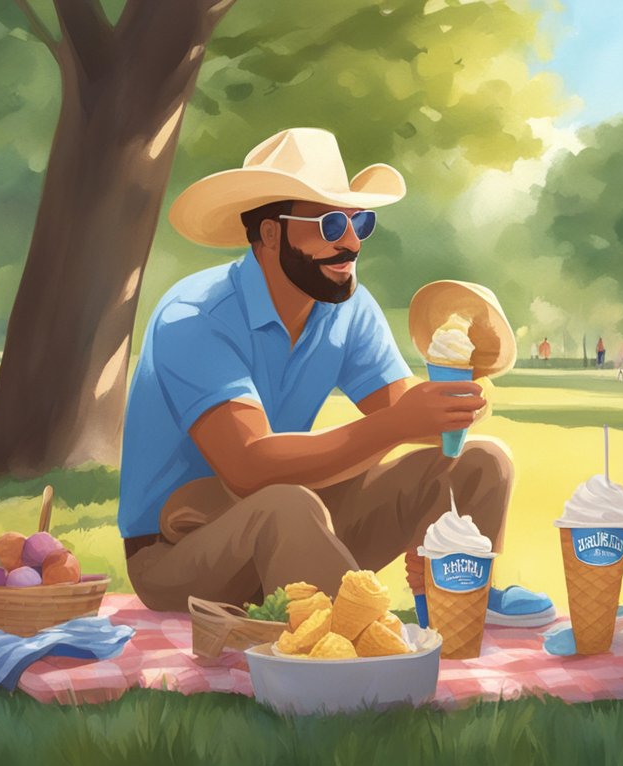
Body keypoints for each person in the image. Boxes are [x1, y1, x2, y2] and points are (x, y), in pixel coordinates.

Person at [117, 128, 554, 629]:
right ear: (270, 234)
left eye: (359, 222)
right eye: (329, 224)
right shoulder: (194, 317)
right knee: (286, 506)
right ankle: (364, 634)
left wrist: (457, 390)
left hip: (300, 514)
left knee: (482, 461)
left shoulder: (345, 304)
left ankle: (463, 593)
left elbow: (404, 408)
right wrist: (397, 424)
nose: (351, 243)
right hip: (178, 550)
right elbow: (248, 466)